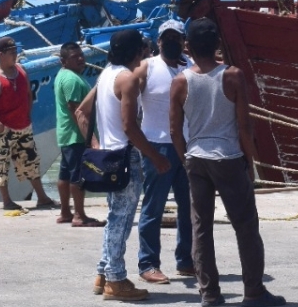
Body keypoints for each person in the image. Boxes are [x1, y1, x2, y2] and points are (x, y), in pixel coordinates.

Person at [169, 17, 284, 307]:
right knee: (245, 226)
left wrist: (185, 158)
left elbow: (174, 130)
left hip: (196, 158)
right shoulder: (233, 75)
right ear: (217, 45)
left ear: (188, 47)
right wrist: (251, 160)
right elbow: (244, 127)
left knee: (201, 229)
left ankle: (209, 294)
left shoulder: (180, 81)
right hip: (228, 157)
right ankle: (254, 292)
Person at [90, 29, 171, 302]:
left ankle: (103, 272)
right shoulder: (126, 79)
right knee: (121, 221)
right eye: (144, 50)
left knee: (115, 217)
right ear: (137, 51)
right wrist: (154, 156)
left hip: (109, 156)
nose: (146, 54)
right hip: (125, 158)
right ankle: (116, 279)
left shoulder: (105, 75)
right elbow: (130, 126)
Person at [135, 20, 195, 285]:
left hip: (188, 145)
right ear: (158, 41)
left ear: (184, 40)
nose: (172, 42)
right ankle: (148, 263)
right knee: (153, 207)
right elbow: (125, 102)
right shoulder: (147, 67)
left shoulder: (192, 67)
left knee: (190, 207)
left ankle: (186, 260)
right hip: (156, 146)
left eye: (177, 37)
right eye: (166, 38)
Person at [0, 37, 55, 212]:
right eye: (11, 52)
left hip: (23, 126)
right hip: (3, 130)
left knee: (31, 161)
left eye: (15, 52)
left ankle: (42, 197)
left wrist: (27, 114)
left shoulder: (21, 71)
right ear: (1, 54)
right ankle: (7, 201)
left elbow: (28, 93)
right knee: (1, 164)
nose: (15, 55)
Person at [53, 42, 103, 227]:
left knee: (65, 174)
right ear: (63, 61)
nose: (81, 59)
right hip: (76, 135)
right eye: (75, 57)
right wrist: (91, 139)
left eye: (81, 55)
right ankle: (79, 215)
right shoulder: (72, 80)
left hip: (66, 134)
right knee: (78, 176)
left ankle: (66, 212)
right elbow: (76, 111)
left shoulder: (64, 75)